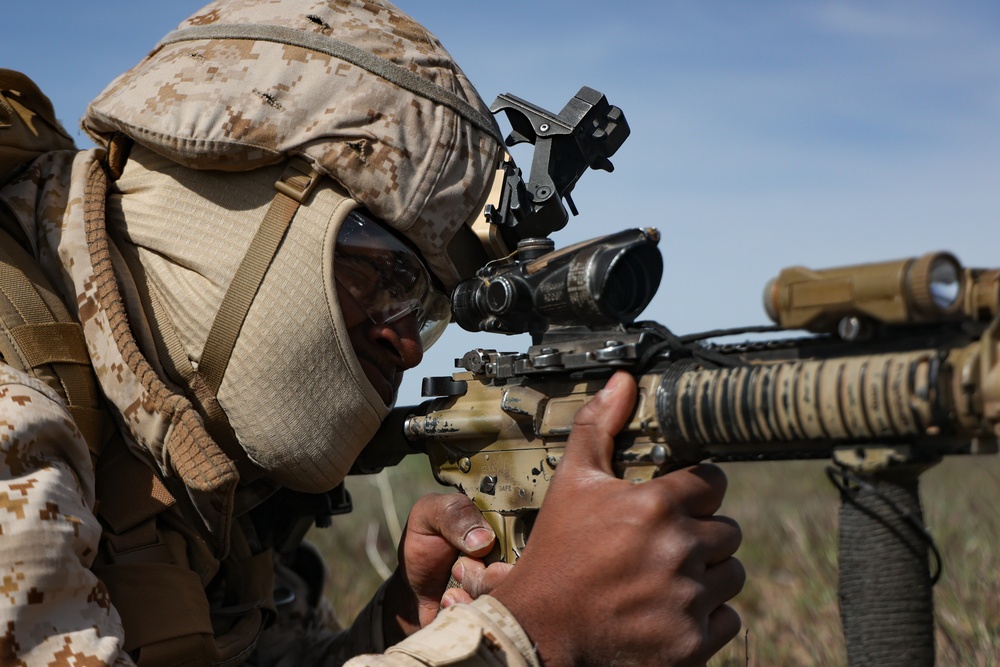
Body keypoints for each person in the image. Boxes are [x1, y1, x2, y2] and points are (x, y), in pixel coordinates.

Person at [0, 1, 744, 665]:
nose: (409, 343)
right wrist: (530, 633)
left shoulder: (180, 454)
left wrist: (401, 631)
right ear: (227, 189)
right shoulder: (15, 420)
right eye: (381, 274)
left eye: (426, 307)